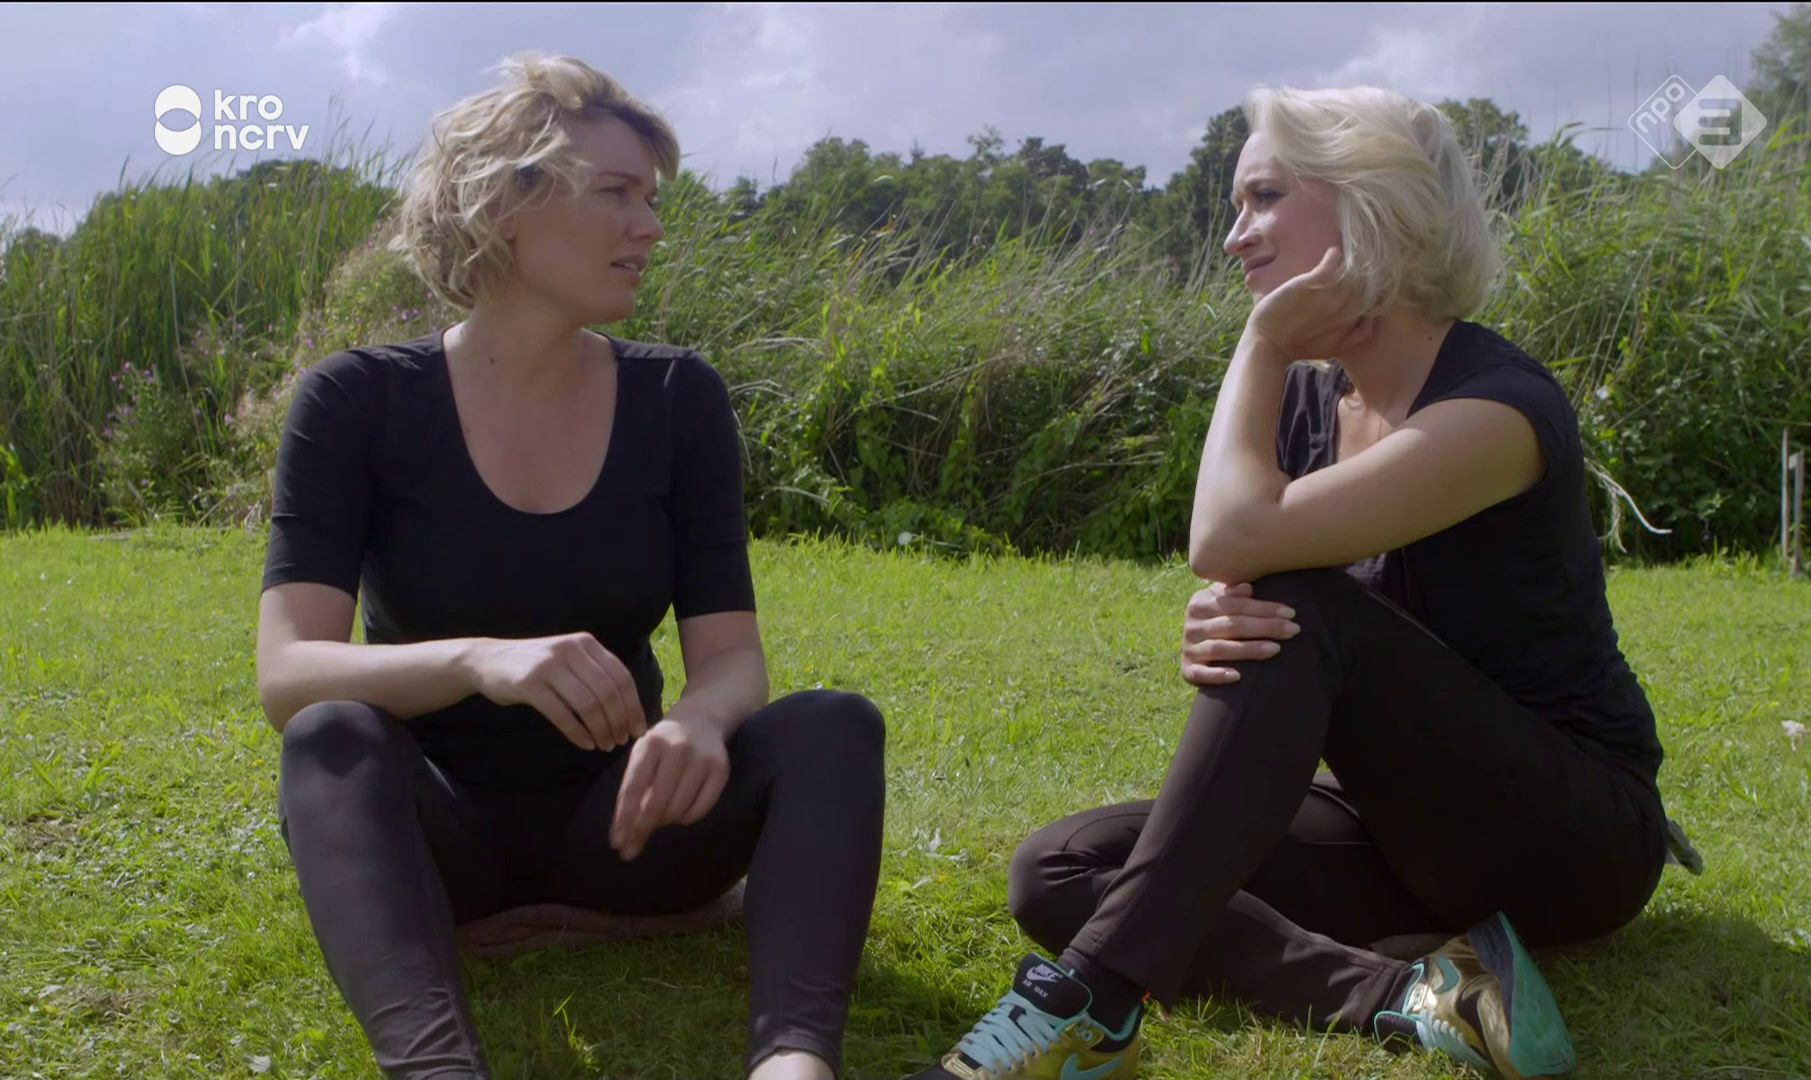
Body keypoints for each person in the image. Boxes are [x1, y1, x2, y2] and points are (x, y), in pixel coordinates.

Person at [910, 85, 1669, 1080]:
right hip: (1395, 826)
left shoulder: (1498, 410)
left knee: (1301, 608)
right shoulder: (1315, 400)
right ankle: (1410, 993)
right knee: (1061, 870)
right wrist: (1225, 618)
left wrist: (1263, 342)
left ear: (1373, 204)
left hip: (1570, 839)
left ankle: (1093, 1001)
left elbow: (1233, 538)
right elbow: (1242, 559)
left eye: (1264, 197)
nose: (1235, 237)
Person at [255, 54, 884, 1080]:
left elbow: (733, 658)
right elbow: (290, 675)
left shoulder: (677, 399)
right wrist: (481, 660)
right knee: (332, 736)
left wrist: (699, 722)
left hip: (630, 828)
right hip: (434, 845)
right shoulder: (357, 402)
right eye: (617, 194)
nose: (651, 227)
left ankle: (794, 1061)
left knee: (833, 727)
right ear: (506, 205)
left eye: (652, 199)